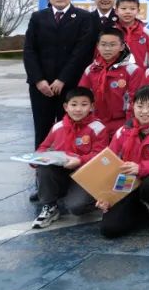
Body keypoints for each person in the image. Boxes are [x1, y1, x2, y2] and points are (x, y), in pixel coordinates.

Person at [99, 84, 149, 237]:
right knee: (109, 229)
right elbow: (109, 162)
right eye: (140, 106)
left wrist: (141, 168)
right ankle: (138, 209)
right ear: (132, 106)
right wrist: (104, 196)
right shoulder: (123, 131)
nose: (144, 111)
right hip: (127, 182)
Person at [23, 0, 96, 148]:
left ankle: (68, 160)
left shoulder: (83, 17)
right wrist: (38, 80)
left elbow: (81, 53)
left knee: (70, 128)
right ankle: (41, 160)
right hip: (41, 86)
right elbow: (29, 51)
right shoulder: (38, 17)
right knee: (42, 128)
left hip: (70, 85)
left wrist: (62, 79)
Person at [31, 86, 107, 229]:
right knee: (44, 168)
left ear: (92, 107)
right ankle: (50, 205)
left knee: (76, 208)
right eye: (74, 104)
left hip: (85, 175)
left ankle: (94, 199)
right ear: (66, 107)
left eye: (84, 104)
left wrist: (80, 160)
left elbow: (100, 155)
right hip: (62, 171)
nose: (78, 109)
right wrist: (36, 159)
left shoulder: (98, 128)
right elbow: (43, 148)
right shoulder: (58, 126)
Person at [78, 28, 143, 136]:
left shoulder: (133, 70)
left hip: (122, 124)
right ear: (98, 46)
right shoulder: (91, 70)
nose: (107, 49)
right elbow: (81, 98)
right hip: (95, 124)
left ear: (122, 46)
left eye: (112, 45)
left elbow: (135, 102)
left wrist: (129, 127)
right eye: (103, 45)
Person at [115, 0, 149, 69]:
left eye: (132, 9)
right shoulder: (110, 32)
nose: (128, 12)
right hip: (115, 75)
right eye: (123, 8)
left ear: (138, 11)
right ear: (116, 11)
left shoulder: (147, 34)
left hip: (141, 75)